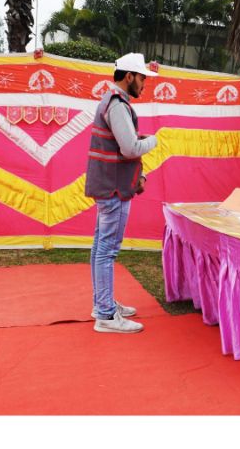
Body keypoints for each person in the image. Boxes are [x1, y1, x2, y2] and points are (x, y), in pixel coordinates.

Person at [85, 52, 159, 334]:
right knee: (107, 250)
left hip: (110, 185)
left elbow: (121, 147)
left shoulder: (113, 102)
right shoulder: (117, 105)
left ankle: (102, 304)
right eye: (142, 78)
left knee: (100, 247)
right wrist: (153, 141)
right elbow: (129, 148)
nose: (144, 84)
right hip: (113, 188)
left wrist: (137, 172)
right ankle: (105, 314)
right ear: (129, 76)